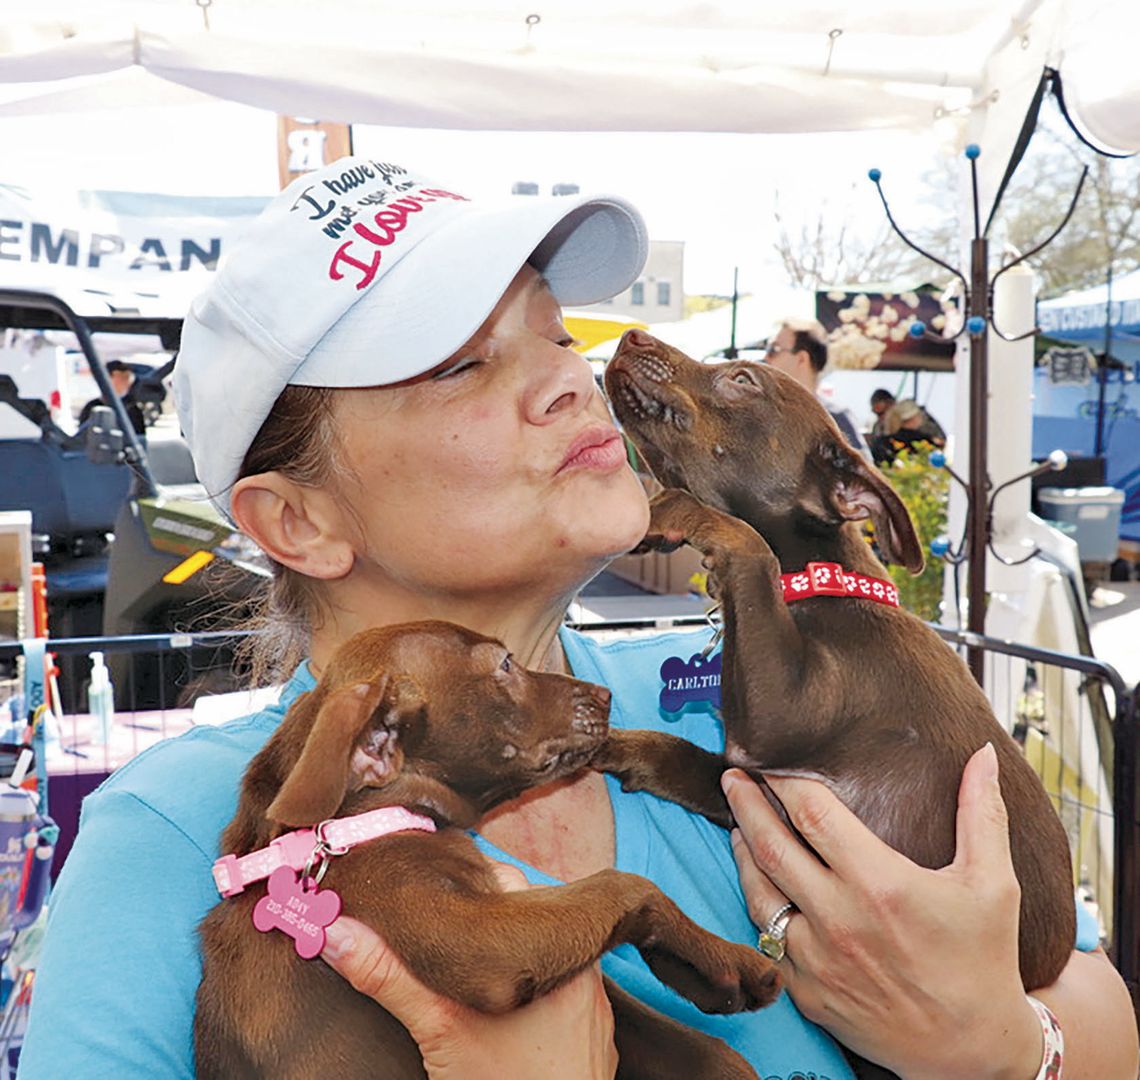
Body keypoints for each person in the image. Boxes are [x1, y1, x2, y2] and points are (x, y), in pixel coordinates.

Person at [20, 156, 1137, 1079]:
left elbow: (1100, 1012)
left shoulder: (722, 704)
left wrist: (997, 1046)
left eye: (556, 333)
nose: (571, 379)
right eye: (458, 366)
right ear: (298, 521)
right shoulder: (169, 844)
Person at [764, 318, 872, 459]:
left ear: (802, 358)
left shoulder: (835, 419)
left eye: (774, 349)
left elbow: (862, 475)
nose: (766, 357)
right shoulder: (761, 415)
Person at [77, 358, 147, 435]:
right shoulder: (93, 407)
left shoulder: (133, 408)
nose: (127, 381)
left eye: (128, 377)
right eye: (122, 377)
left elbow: (140, 436)